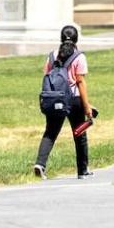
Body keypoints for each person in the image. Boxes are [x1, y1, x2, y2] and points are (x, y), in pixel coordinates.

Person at [34, 25, 95, 180]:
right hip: (74, 100)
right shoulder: (79, 56)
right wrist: (87, 106)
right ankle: (82, 170)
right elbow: (80, 82)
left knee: (50, 132)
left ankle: (40, 164)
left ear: (61, 38)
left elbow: (46, 74)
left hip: (54, 98)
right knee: (79, 133)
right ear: (76, 39)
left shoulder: (52, 56)